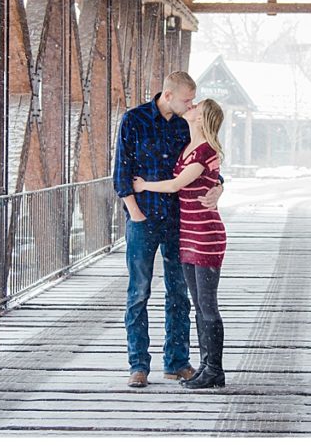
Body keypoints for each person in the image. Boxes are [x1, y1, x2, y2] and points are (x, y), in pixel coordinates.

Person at [113, 72, 222, 389]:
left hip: (180, 221)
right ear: (169, 94)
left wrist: (219, 189)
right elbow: (122, 169)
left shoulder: (185, 123)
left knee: (179, 294)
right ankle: (138, 365)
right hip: (143, 218)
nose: (192, 105)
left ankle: (176, 362)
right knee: (139, 293)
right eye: (188, 99)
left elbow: (206, 161)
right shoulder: (134, 120)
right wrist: (136, 214)